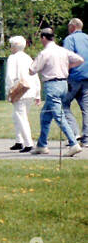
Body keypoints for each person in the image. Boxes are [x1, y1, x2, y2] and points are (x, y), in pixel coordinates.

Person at [29, 27, 84, 156]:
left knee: (59, 116)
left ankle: (73, 143)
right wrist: (67, 66)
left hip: (52, 85)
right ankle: (42, 145)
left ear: (43, 38)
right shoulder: (62, 50)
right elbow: (80, 60)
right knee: (45, 115)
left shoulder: (45, 53)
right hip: (64, 84)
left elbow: (32, 70)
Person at [4, 35, 39, 153]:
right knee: (18, 116)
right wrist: (38, 93)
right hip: (31, 90)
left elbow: (10, 76)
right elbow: (35, 75)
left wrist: (8, 91)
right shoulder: (28, 58)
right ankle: (19, 141)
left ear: (14, 46)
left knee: (21, 117)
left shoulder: (12, 58)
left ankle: (28, 143)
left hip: (19, 91)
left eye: (11, 45)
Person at [63, 17, 88, 146]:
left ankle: (74, 133)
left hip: (74, 77)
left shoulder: (69, 39)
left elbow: (67, 57)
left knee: (64, 104)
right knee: (86, 108)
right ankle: (87, 138)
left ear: (72, 27)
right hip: (87, 78)